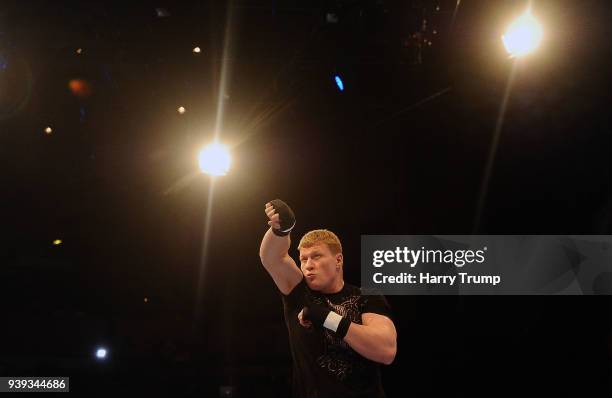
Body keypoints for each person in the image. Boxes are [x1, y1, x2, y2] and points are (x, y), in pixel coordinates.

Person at [259, 199, 397, 398]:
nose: (308, 265)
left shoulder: (366, 295)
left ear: (338, 260)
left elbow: (386, 350)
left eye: (316, 256)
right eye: (303, 259)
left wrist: (327, 318)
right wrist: (282, 230)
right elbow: (272, 257)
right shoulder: (298, 293)